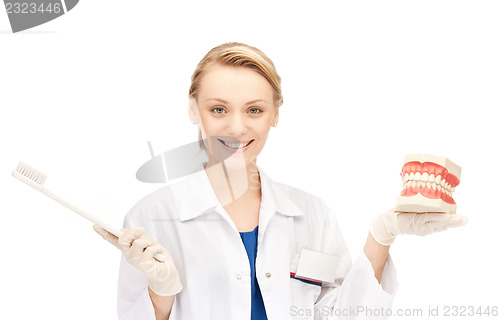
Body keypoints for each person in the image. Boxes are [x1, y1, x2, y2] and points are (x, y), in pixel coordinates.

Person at [94, 42, 468, 320]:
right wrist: (162, 292)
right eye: (218, 109)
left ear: (274, 115)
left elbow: (347, 316)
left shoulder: (310, 213)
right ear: (194, 109)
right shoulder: (153, 217)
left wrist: (380, 236)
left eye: (254, 110)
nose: (237, 127)